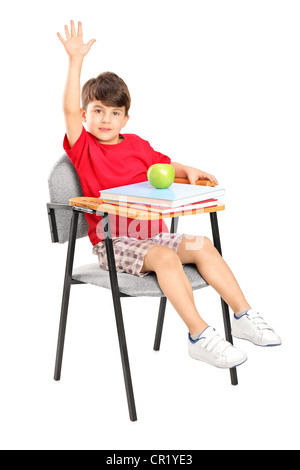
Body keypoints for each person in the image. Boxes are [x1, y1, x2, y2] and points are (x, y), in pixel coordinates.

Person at [57, 21, 281, 370]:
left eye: (114, 113)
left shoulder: (137, 145)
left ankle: (242, 315)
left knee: (203, 245)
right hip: (114, 243)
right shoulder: (84, 148)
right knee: (166, 257)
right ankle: (199, 336)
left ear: (125, 118)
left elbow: (163, 166)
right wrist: (75, 61)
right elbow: (69, 110)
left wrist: (188, 169)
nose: (105, 119)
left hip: (155, 234)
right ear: (86, 116)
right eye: (98, 111)